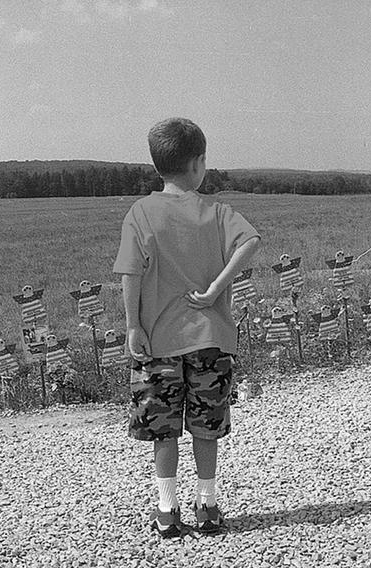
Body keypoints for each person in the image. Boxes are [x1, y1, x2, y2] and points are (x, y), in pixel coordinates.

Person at [113, 117, 261, 538]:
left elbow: (130, 273)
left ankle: (166, 509)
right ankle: (209, 505)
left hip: (157, 342)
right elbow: (250, 241)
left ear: (158, 165)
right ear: (198, 164)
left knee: (164, 431)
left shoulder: (140, 213)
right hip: (210, 339)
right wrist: (217, 287)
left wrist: (132, 327)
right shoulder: (216, 212)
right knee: (206, 427)